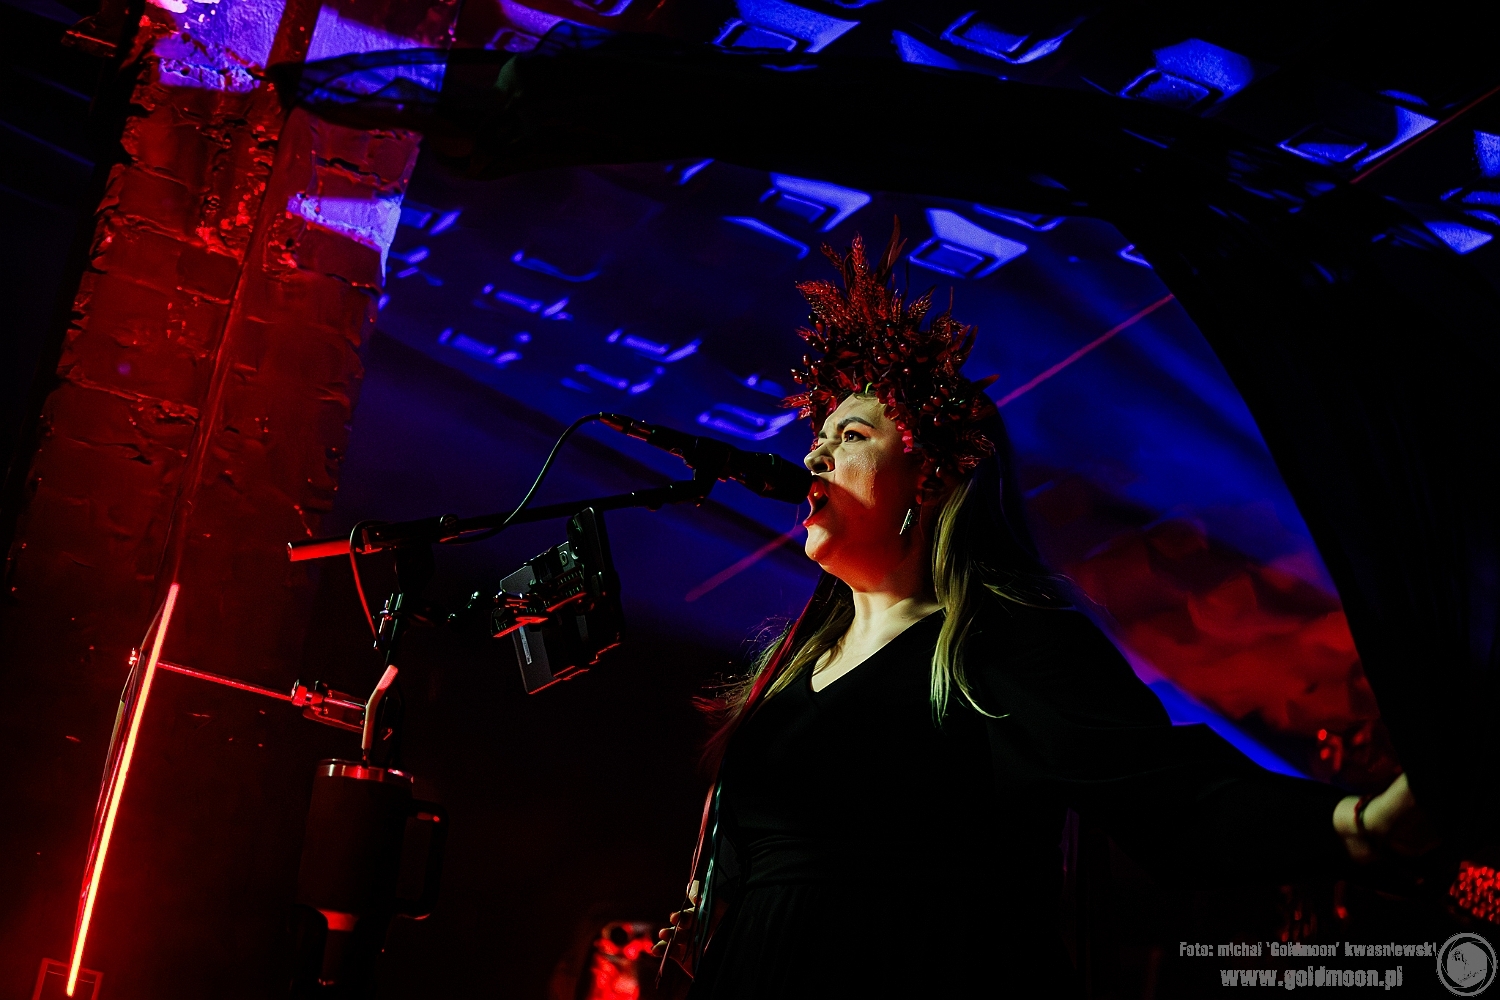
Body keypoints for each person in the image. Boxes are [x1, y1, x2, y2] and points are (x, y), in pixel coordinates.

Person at [649, 224, 1434, 998]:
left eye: (850, 435)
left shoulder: (1000, 646)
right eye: (818, 437)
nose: (814, 455)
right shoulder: (784, 674)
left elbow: (1166, 791)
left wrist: (1356, 825)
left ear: (931, 479)